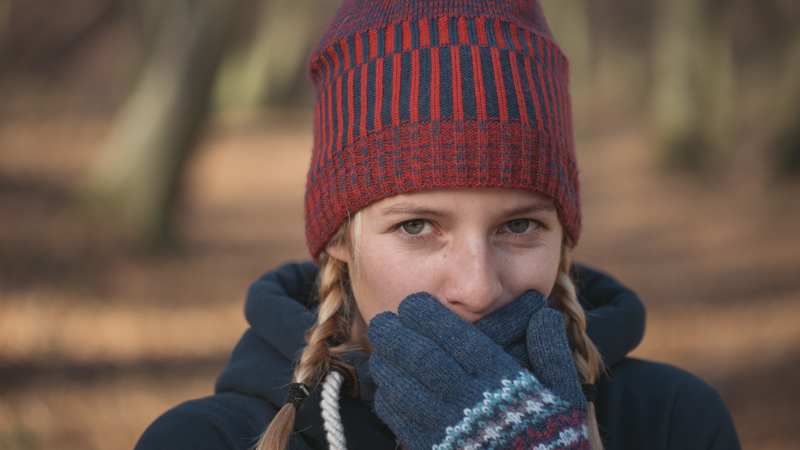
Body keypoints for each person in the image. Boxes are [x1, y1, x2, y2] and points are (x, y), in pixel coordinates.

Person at [135, 1, 741, 449]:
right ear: (341, 240)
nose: (477, 289)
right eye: (418, 226)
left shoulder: (673, 422)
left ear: (564, 235)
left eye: (521, 226)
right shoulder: (205, 441)